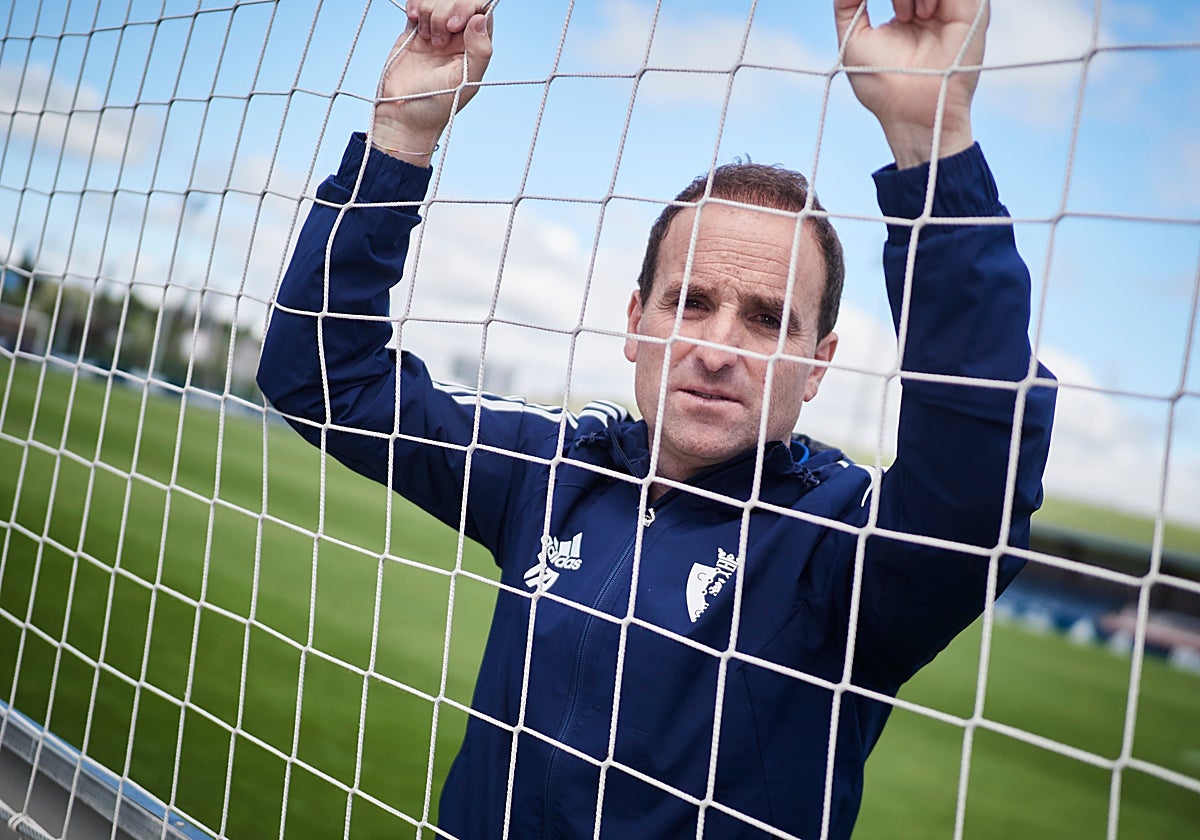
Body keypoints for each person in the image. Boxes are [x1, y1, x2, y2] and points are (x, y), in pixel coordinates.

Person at [256, 0, 1056, 837]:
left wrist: (933, 144)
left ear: (818, 364)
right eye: (692, 302)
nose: (717, 347)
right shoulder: (558, 471)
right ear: (637, 321)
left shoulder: (838, 552)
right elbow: (324, 376)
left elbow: (976, 482)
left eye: (766, 319)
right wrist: (401, 137)